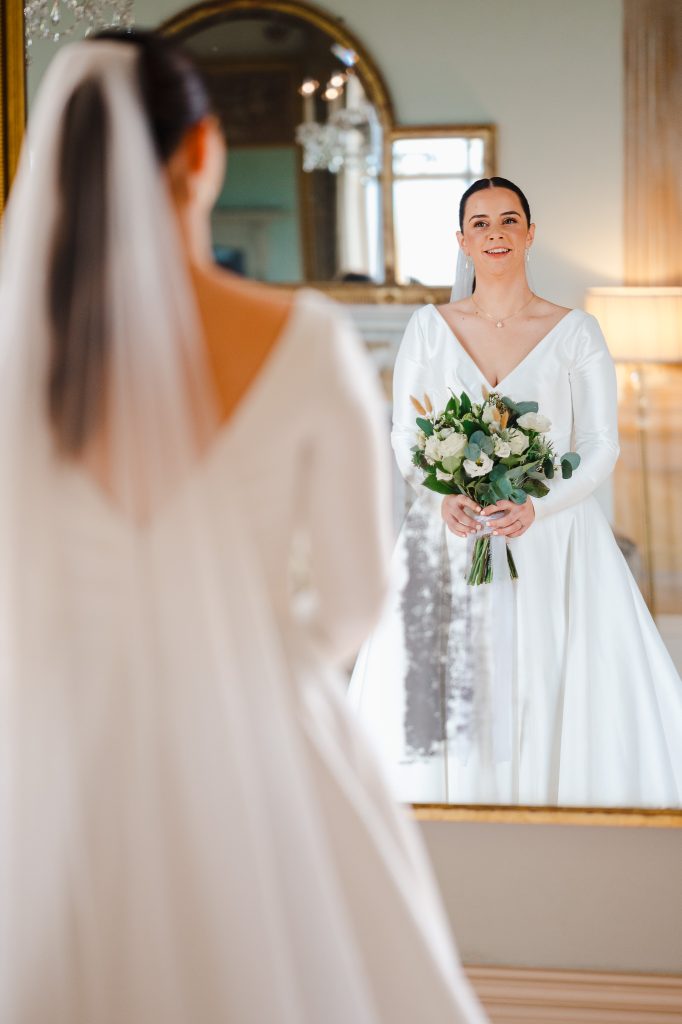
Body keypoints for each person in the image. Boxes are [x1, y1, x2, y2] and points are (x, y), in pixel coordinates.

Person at [0, 32, 486, 1024]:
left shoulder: (20, 368)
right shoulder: (303, 342)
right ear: (200, 151)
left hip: (62, 748)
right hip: (265, 737)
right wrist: (251, 656)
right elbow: (357, 593)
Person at [350, 176, 682, 808]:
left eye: (508, 221)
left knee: (549, 677)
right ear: (461, 241)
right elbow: (404, 434)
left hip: (552, 538)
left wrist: (540, 505)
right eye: (480, 223)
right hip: (452, 533)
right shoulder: (429, 327)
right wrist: (437, 491)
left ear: (530, 234)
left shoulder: (576, 330)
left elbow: (600, 444)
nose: (494, 233)